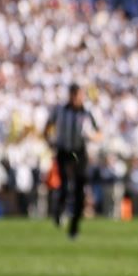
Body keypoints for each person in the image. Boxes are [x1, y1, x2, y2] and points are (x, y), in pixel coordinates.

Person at [44, 83, 99, 239]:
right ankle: (59, 210)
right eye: (73, 95)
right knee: (65, 184)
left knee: (80, 190)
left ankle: (74, 227)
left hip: (80, 153)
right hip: (64, 151)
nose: (76, 98)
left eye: (78, 95)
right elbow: (47, 127)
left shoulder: (88, 112)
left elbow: (99, 133)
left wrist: (91, 136)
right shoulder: (60, 110)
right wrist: (49, 141)